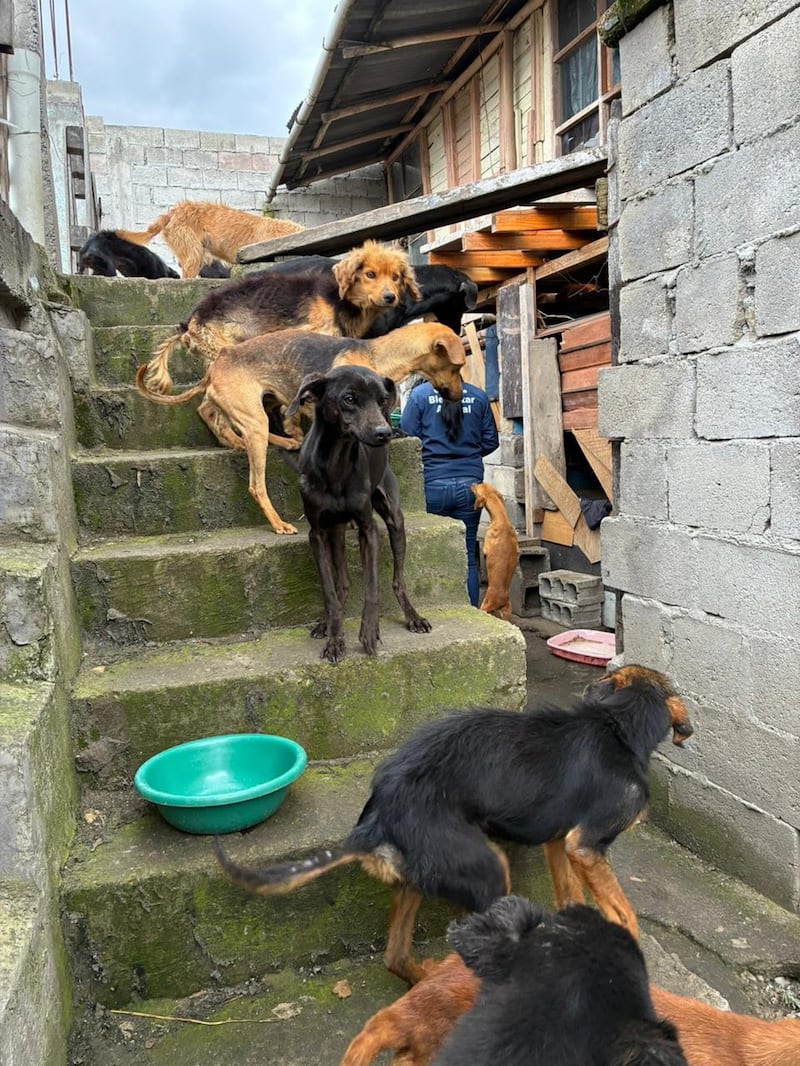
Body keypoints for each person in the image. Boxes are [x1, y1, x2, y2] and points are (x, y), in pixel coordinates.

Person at [401, 379, 499, 607]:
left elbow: (406, 439)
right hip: (471, 489)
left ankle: (432, 613)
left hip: (432, 484)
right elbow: (491, 441)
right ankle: (470, 614)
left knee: (428, 553)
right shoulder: (479, 396)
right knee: (466, 557)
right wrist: (468, 453)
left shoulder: (419, 396)